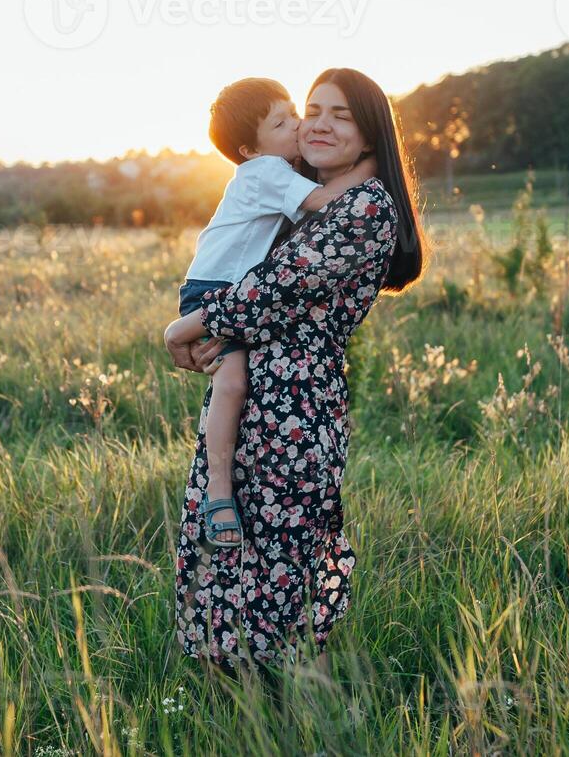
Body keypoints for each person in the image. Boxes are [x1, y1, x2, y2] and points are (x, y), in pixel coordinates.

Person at [165, 67, 429, 678]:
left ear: (371, 134)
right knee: (225, 560)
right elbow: (244, 268)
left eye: (341, 114)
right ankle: (228, 714)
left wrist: (191, 323)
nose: (319, 123)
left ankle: (277, 715)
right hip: (255, 396)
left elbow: (277, 289)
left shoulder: (367, 206)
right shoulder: (293, 189)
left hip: (294, 408)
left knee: (276, 570)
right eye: (314, 110)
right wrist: (211, 325)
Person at [181, 77, 377, 548]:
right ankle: (220, 491)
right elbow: (325, 202)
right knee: (231, 382)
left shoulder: (274, 170)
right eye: (283, 121)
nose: (299, 127)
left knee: (233, 383)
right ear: (251, 149)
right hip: (213, 291)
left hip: (225, 288)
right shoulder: (267, 172)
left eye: (294, 114)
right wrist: (370, 166)